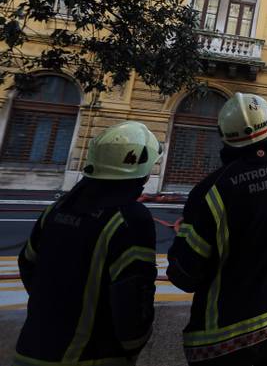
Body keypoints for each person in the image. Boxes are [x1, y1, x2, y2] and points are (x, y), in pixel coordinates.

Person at [167, 92, 267, 366]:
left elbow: (184, 275)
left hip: (222, 344)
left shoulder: (210, 192)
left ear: (224, 136)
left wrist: (183, 234)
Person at [14, 121, 160, 366]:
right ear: (141, 170)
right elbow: (132, 297)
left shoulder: (57, 209)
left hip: (29, 350)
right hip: (91, 355)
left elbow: (27, 263)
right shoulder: (129, 219)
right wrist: (134, 343)